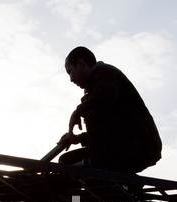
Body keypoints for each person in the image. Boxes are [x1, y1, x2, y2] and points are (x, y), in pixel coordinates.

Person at [58, 46, 162, 174]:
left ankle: (104, 175)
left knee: (92, 115)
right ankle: (76, 195)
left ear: (81, 63)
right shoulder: (94, 88)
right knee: (67, 162)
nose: (71, 79)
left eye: (70, 72)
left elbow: (105, 98)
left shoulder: (105, 73)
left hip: (140, 145)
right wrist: (78, 139)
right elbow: (108, 132)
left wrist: (78, 112)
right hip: (122, 144)